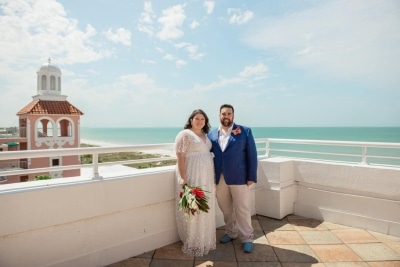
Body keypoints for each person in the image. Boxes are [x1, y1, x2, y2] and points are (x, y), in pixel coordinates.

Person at [208, 104, 258, 253]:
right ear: (219, 116)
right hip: (219, 178)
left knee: (242, 208)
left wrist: (251, 176)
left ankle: (247, 237)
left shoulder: (245, 131)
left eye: (229, 114)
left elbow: (252, 155)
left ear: (233, 116)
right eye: (223, 114)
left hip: (240, 177)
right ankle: (231, 232)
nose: (226, 116)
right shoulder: (211, 135)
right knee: (226, 209)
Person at [174, 109, 216, 257]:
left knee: (204, 206)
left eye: (202, 119)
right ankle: (193, 240)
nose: (199, 121)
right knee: (193, 207)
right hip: (192, 174)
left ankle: (203, 238)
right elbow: (180, 156)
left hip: (206, 176)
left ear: (205, 122)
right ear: (191, 120)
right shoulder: (185, 134)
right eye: (196, 118)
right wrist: (183, 177)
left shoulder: (205, 135)